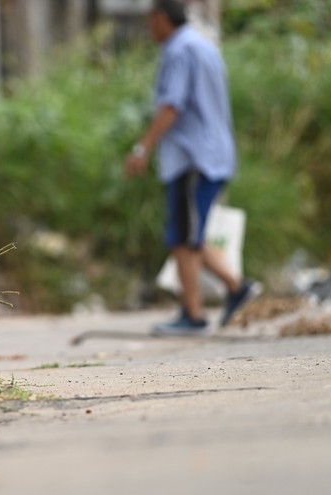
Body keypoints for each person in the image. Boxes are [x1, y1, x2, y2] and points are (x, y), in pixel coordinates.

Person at [124, 0, 260, 337]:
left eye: (150, 21)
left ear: (161, 18)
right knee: (186, 233)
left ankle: (193, 316)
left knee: (184, 238)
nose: (148, 29)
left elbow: (173, 105)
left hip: (193, 157)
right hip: (212, 153)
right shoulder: (202, 45)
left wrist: (143, 147)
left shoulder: (179, 50)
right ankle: (236, 287)